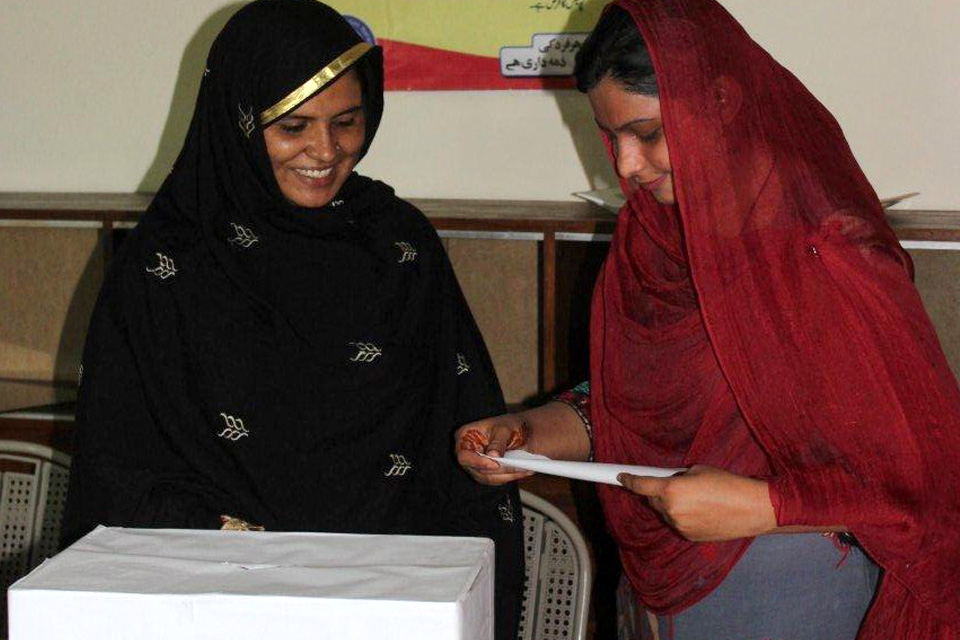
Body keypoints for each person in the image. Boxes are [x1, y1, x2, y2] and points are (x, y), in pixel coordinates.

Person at [456, 1, 960, 639]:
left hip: (790, 583)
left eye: (646, 133)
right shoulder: (655, 238)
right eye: (611, 138)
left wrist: (763, 506)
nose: (627, 166)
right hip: (654, 584)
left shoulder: (821, 250)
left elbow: (924, 479)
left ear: (718, 102)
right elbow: (634, 412)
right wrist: (526, 433)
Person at [61, 1, 522, 637]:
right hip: (211, 605)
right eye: (293, 126)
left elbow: (458, 429)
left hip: (391, 602)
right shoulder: (169, 264)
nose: (325, 151)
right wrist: (257, 552)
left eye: (347, 122)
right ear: (241, 123)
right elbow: (119, 471)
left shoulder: (396, 244)